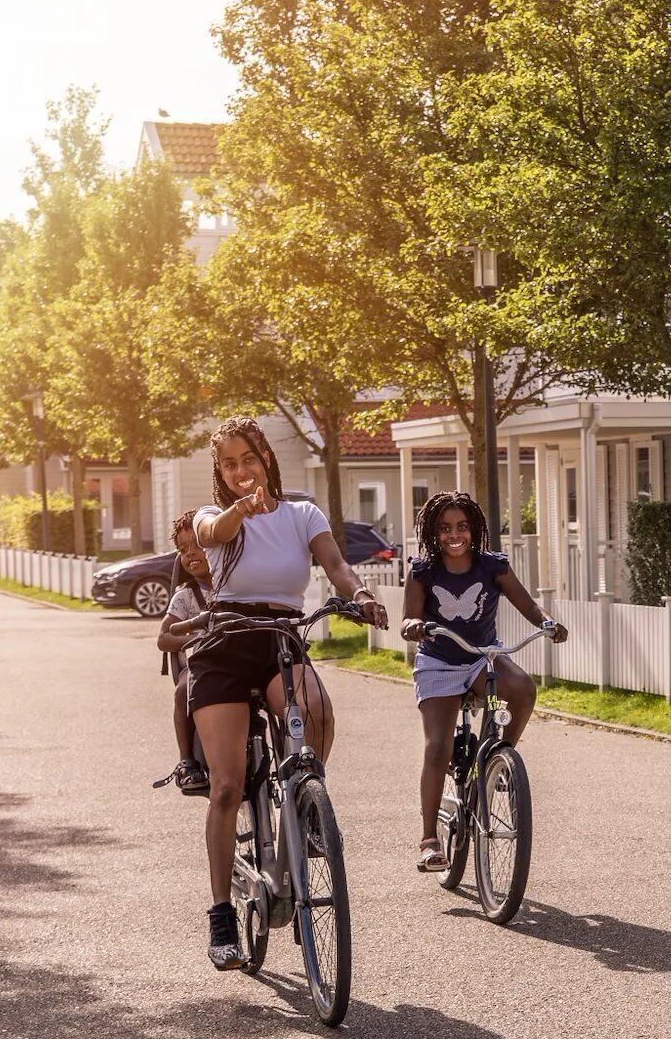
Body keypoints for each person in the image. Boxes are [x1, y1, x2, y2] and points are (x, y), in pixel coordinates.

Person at [189, 416, 389, 970]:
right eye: (228, 464)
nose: (239, 471)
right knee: (227, 787)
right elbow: (215, 535)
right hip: (226, 641)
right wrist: (239, 508)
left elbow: (335, 565)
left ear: (266, 458)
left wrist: (362, 594)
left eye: (247, 459)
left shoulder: (303, 514)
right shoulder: (214, 515)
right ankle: (221, 918)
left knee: (317, 711)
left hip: (280, 636)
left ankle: (302, 810)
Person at [400, 491, 566, 872]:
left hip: (481, 659)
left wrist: (546, 623)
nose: (453, 535)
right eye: (444, 529)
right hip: (439, 661)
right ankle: (429, 839)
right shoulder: (423, 570)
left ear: (474, 530)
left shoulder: (492, 566)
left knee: (523, 688)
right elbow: (408, 617)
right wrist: (415, 626)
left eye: (461, 527)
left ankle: (497, 760)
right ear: (433, 532)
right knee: (438, 747)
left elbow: (527, 604)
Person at [158, 510, 213, 795]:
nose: (191, 554)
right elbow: (164, 638)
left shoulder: (236, 586)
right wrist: (194, 636)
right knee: (182, 691)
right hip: (200, 664)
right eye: (183, 549)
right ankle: (187, 760)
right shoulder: (186, 596)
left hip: (237, 659)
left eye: (199, 545)